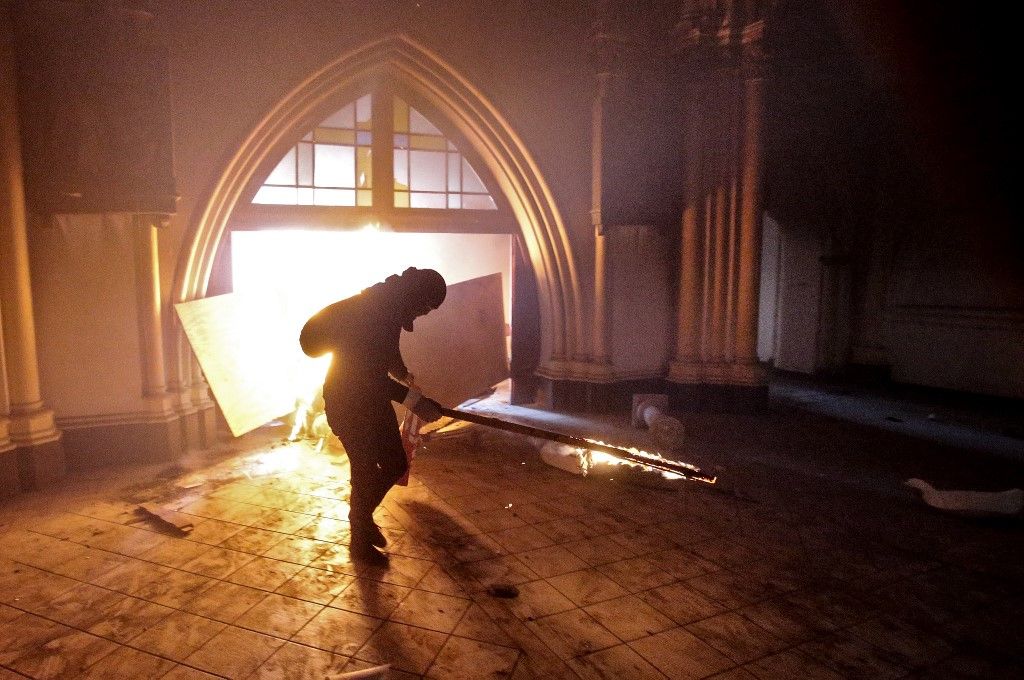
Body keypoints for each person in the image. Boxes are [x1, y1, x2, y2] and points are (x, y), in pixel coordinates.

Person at [299, 267, 446, 565]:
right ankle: (360, 534)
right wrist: (415, 401)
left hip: (370, 403)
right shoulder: (375, 311)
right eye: (424, 308)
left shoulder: (387, 306)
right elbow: (368, 374)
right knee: (365, 471)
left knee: (393, 464)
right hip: (347, 405)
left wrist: (402, 374)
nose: (420, 315)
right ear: (415, 296)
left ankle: (361, 520)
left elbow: (386, 353)